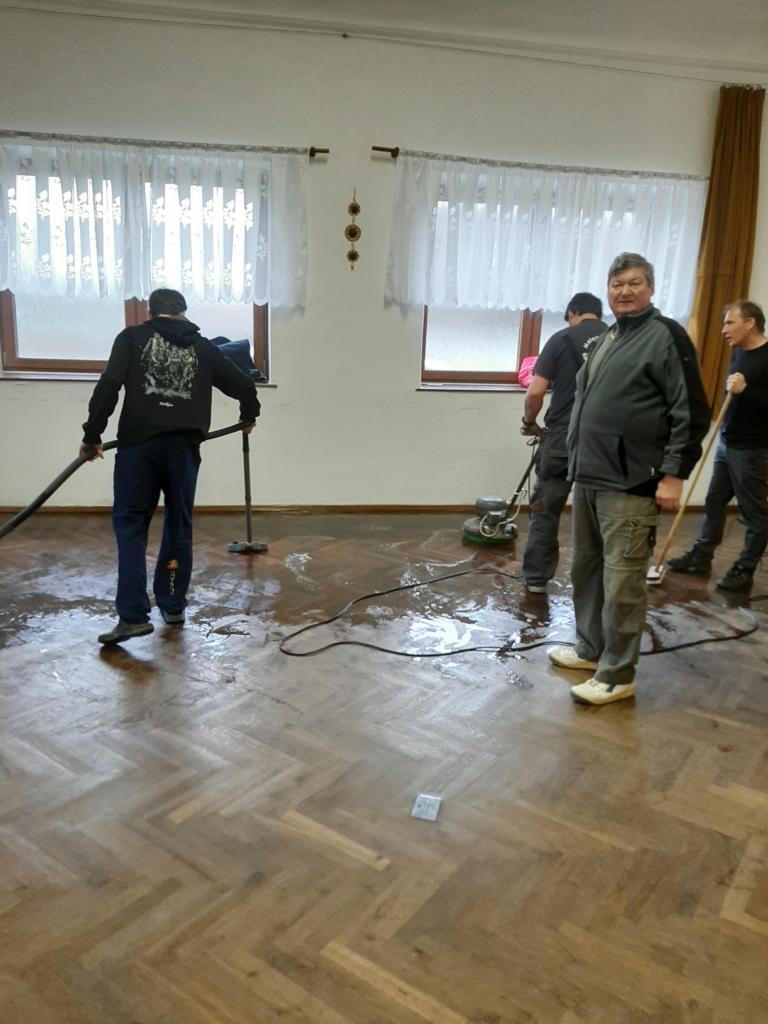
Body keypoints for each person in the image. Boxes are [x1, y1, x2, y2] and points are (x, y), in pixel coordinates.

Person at [548, 253, 710, 705]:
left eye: (634, 283)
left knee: (623, 581)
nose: (624, 291)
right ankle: (591, 649)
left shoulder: (666, 336)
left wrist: (675, 474)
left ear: (650, 288)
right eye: (617, 284)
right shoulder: (609, 335)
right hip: (589, 476)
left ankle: (618, 674)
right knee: (586, 570)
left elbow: (692, 411)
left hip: (631, 481)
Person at [80, 288, 260, 645]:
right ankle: (173, 605)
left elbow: (110, 385)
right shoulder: (203, 348)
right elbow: (243, 383)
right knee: (179, 523)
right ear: (183, 312)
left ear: (151, 312)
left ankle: (133, 617)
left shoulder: (131, 338)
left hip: (138, 448)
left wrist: (92, 434)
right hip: (182, 450)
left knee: (131, 524)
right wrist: (249, 415)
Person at [667, 300, 768, 591]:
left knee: (754, 513)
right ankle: (701, 557)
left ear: (750, 322)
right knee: (714, 502)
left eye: (729, 323)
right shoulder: (739, 352)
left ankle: (745, 568)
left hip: (753, 449)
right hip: (727, 442)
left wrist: (746, 390)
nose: (723, 330)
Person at [521, 293, 607, 593]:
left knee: (545, 510)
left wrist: (530, 423)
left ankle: (536, 579)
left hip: (561, 437)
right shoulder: (618, 339)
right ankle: (600, 582)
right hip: (603, 441)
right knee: (603, 515)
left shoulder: (560, 339)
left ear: (572, 312)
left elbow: (535, 392)